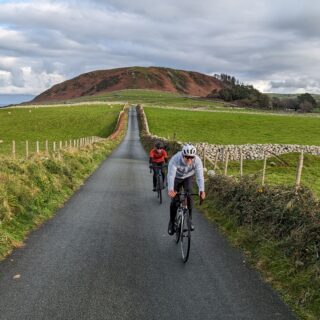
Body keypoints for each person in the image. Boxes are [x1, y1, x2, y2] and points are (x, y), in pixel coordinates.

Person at [167, 144, 205, 235]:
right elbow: (171, 176)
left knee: (189, 196)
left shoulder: (197, 161)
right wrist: (171, 189)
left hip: (188, 177)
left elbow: (200, 177)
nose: (189, 160)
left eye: (191, 157)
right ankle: (172, 222)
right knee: (175, 201)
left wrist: (201, 190)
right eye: (187, 157)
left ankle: (189, 220)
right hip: (176, 177)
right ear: (183, 155)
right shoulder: (175, 159)